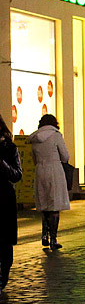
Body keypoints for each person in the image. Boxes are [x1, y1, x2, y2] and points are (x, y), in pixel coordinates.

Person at [29, 114, 70, 249]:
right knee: (54, 205)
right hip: (54, 170)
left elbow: (34, 159)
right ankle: (53, 239)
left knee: (44, 204)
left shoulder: (35, 138)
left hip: (40, 170)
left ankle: (44, 235)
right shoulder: (56, 135)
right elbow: (65, 156)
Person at [0, 114, 22, 291]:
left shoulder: (9, 147)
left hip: (3, 198)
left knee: (4, 240)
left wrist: (2, 164)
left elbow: (17, 174)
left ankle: (3, 275)